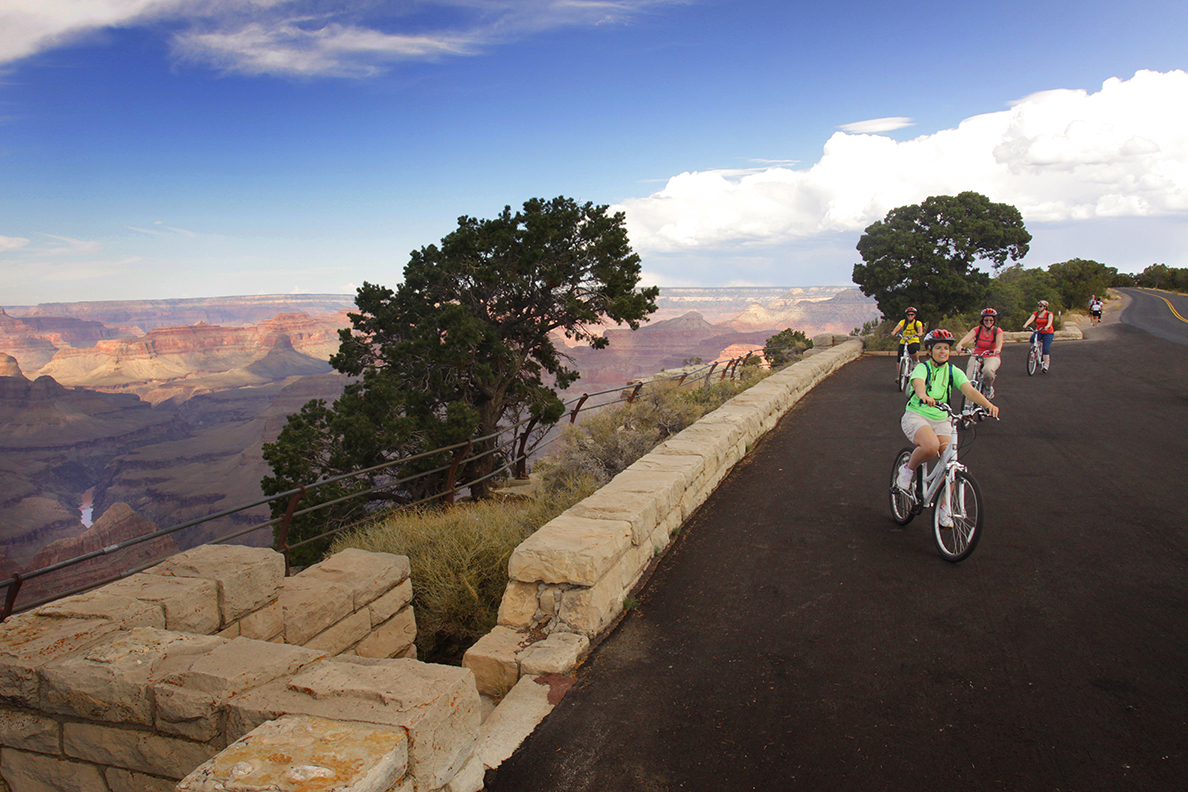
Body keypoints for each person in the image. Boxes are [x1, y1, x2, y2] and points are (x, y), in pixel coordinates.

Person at [895, 329, 1000, 527]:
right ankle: (908, 469)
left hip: (943, 419)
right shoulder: (922, 368)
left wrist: (988, 405)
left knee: (950, 459)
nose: (943, 351)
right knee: (930, 446)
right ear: (930, 350)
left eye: (946, 348)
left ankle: (945, 509)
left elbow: (969, 390)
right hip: (917, 415)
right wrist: (923, 394)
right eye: (938, 348)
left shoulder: (953, 371)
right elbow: (918, 384)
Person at [957, 308, 1004, 398]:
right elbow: (967, 338)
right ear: (982, 320)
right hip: (977, 355)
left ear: (994, 321)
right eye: (986, 320)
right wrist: (960, 345)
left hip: (991, 355)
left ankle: (989, 387)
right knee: (969, 377)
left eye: (991, 320)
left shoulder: (997, 331)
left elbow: (999, 342)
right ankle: (967, 406)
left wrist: (998, 349)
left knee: (988, 371)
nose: (988, 322)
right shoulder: (977, 329)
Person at [1022, 299, 1056, 372]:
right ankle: (1036, 352)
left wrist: (1047, 326)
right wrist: (1026, 325)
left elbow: (1050, 322)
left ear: (1045, 307)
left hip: (1048, 332)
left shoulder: (1049, 314)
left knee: (1045, 348)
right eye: (1038, 306)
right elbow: (1031, 319)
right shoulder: (1036, 313)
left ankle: (1046, 365)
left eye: (1041, 306)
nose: (1039, 307)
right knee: (1032, 340)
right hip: (1039, 331)